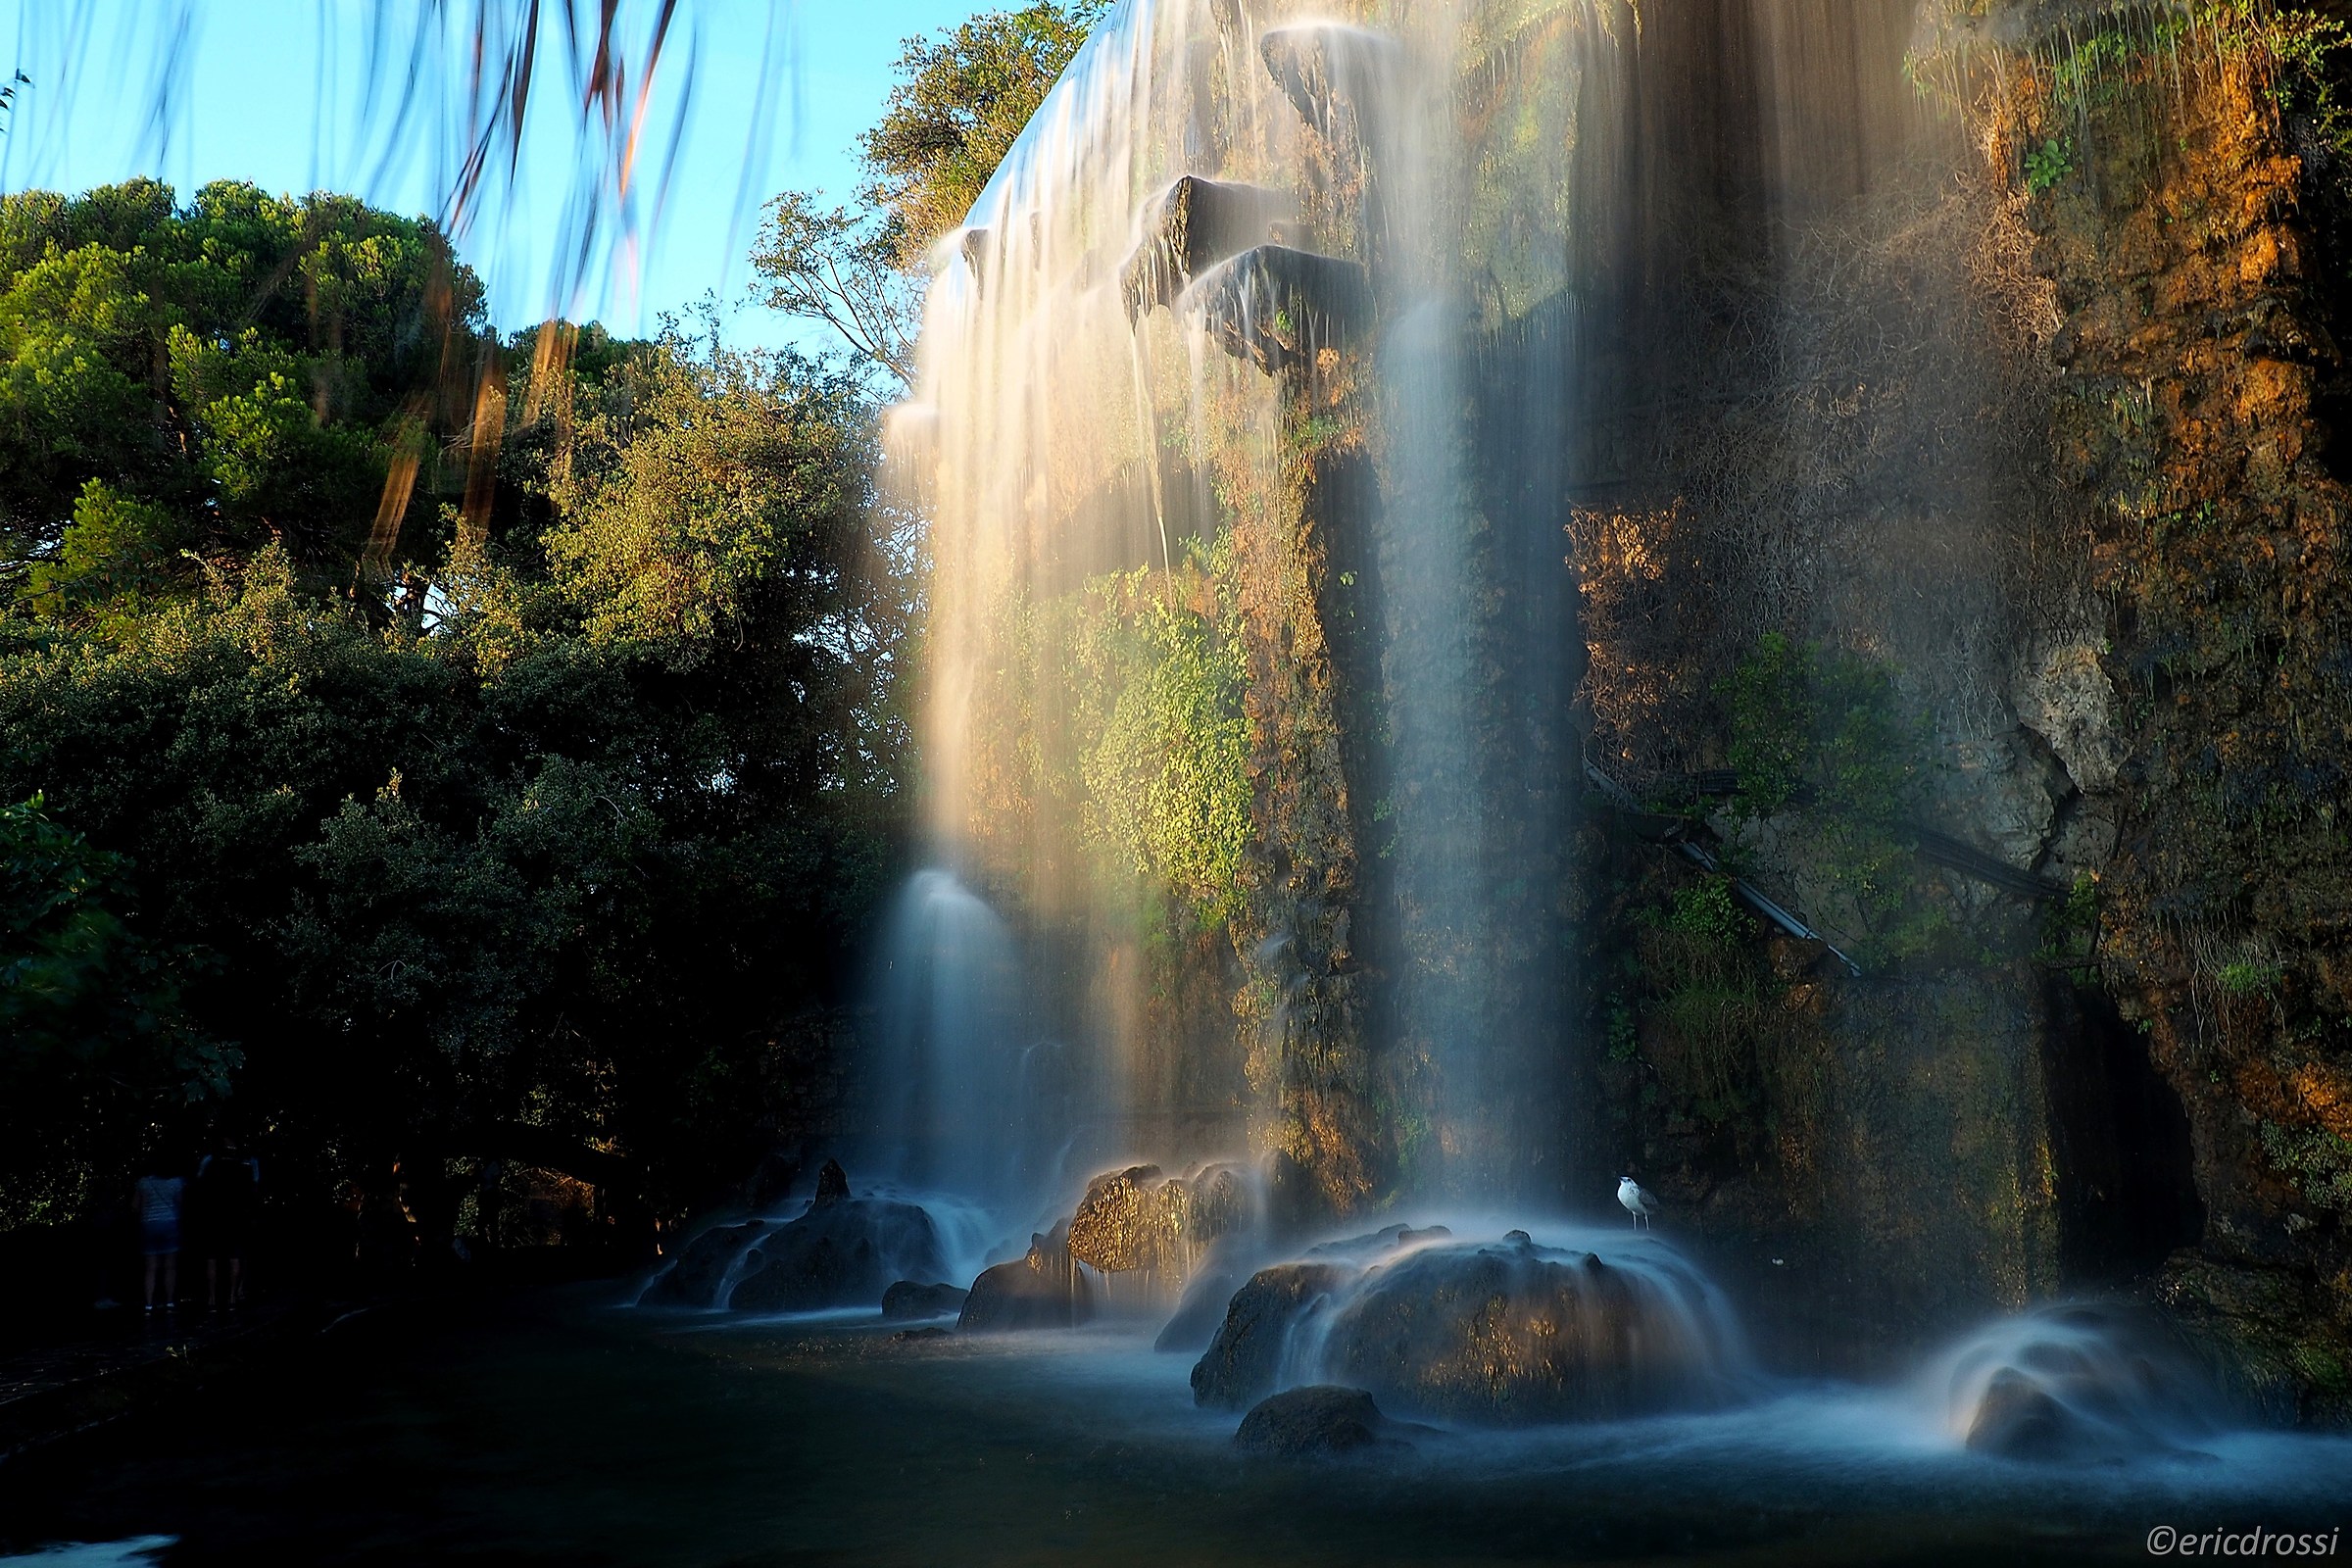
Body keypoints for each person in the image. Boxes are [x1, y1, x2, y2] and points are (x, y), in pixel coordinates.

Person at [194, 1139, 261, 1311]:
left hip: (214, 1217)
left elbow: (201, 1188)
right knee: (234, 1258)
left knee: (212, 1258)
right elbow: (251, 1192)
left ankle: (212, 1298)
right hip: (235, 1218)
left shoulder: (210, 1166)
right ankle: (232, 1296)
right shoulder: (242, 1168)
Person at [133, 1160, 185, 1315]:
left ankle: (148, 1304)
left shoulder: (143, 1182)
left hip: (149, 1224)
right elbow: (180, 1204)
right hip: (170, 1223)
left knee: (150, 1268)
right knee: (170, 1267)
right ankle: (169, 1301)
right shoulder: (177, 1182)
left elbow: (135, 1205)